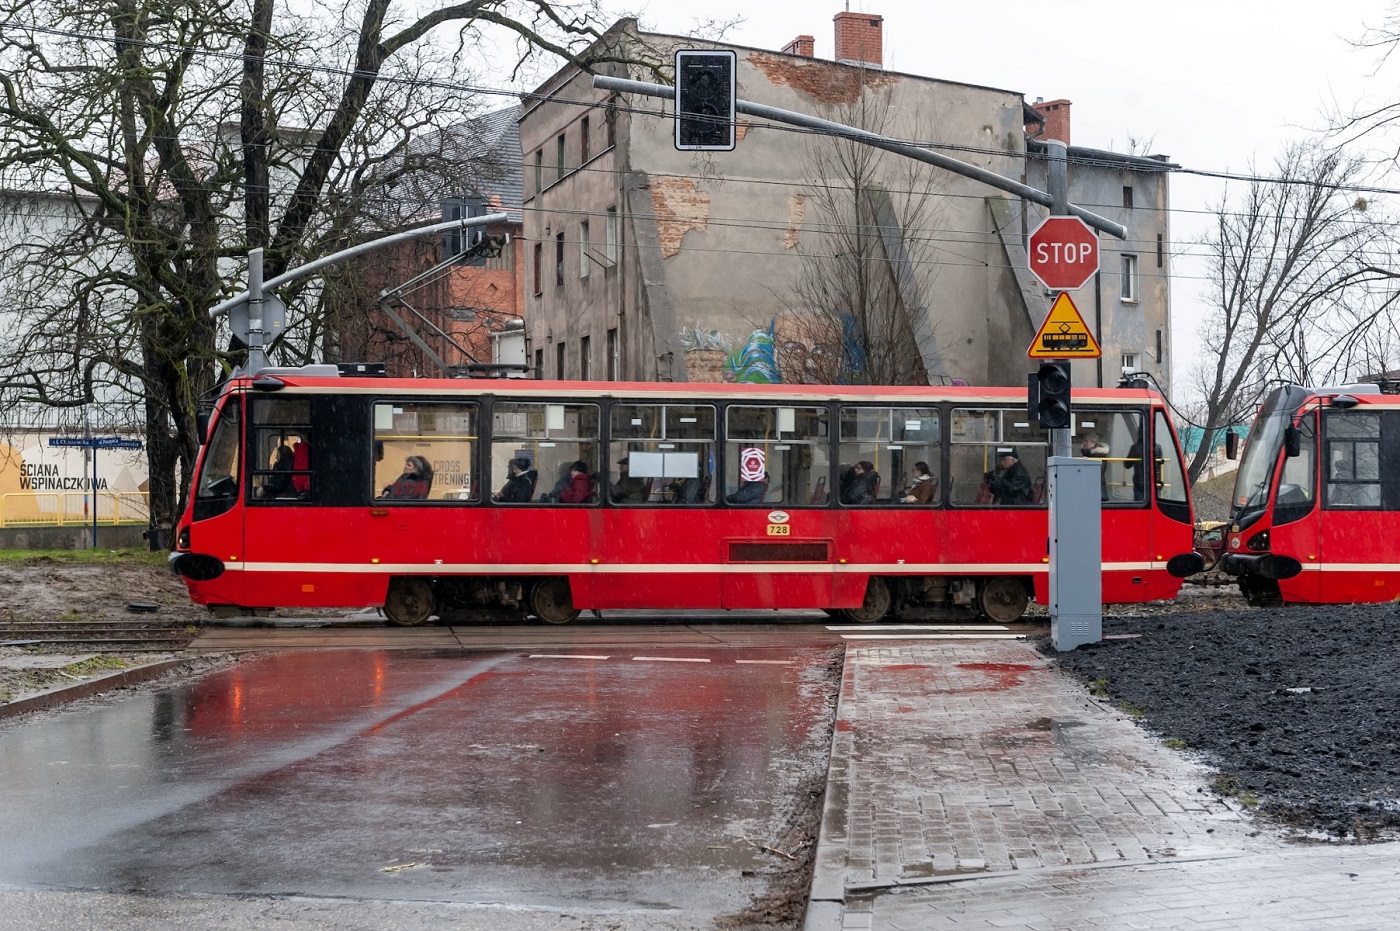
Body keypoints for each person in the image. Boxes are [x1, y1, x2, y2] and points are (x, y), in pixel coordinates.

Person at [1080, 431, 1110, 501]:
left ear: (1093, 443)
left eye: (1086, 441)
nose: (1084, 443)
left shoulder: (1098, 454)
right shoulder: (1088, 453)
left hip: (1096, 487)